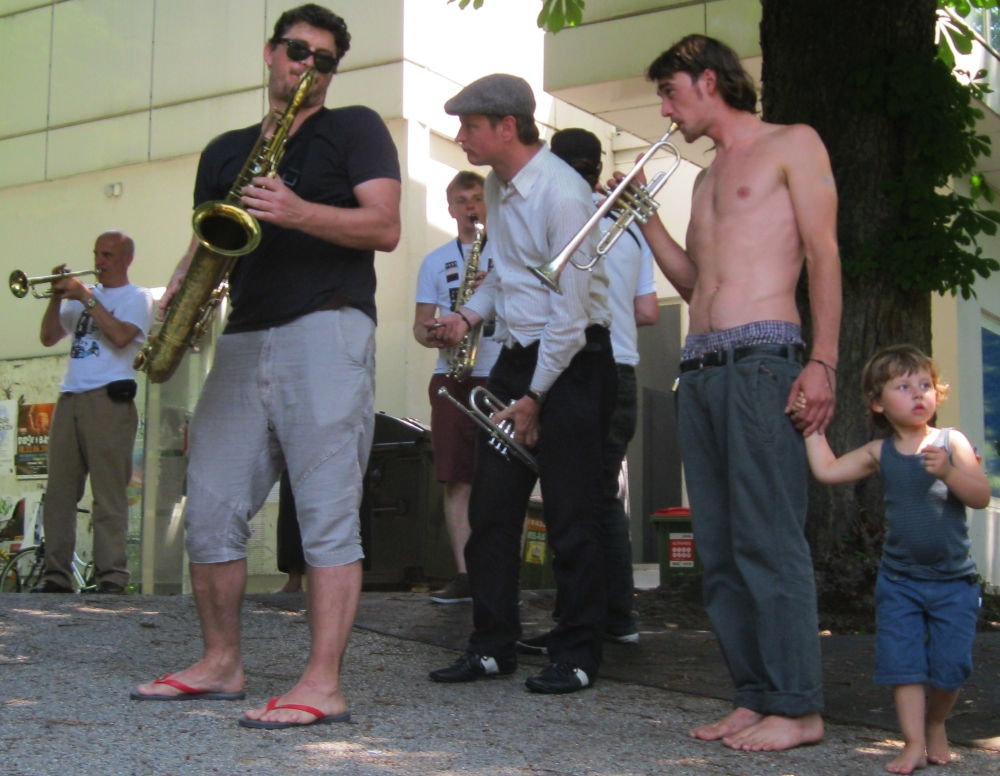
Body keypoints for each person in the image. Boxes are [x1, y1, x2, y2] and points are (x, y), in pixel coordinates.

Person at [131, 4, 401, 731]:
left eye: (323, 58)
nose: (308, 65)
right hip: (244, 333)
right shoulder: (225, 150)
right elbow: (210, 238)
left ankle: (324, 684)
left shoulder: (356, 128)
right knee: (210, 507)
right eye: (297, 50)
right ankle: (220, 663)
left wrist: (297, 210)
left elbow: (385, 225)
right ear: (271, 52)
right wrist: (181, 289)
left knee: (326, 513)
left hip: (329, 324)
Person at [631, 34, 841, 750]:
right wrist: (647, 220)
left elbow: (825, 254)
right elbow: (697, 283)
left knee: (768, 540)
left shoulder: (793, 142)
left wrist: (823, 361)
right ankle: (754, 696)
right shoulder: (702, 178)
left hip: (763, 361)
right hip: (701, 367)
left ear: (708, 80)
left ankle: (799, 708)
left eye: (670, 92)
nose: (666, 110)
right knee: (717, 549)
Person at [425, 74, 616, 694]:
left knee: (571, 515)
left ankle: (578, 654)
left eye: (471, 127)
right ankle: (491, 645)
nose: (461, 137)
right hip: (518, 355)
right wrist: (465, 317)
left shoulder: (563, 195)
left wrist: (535, 396)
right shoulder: (497, 187)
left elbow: (571, 314)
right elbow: (506, 278)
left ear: (508, 127)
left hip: (573, 363)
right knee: (491, 509)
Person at [801, 345, 989, 775]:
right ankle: (913, 743)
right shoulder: (879, 451)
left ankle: (936, 723)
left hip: (954, 584)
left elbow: (980, 496)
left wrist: (949, 472)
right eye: (903, 387)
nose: (918, 393)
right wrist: (811, 428)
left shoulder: (951, 442)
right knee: (903, 665)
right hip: (900, 581)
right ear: (877, 403)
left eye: (925, 385)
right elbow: (828, 471)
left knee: (950, 669)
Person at [517, 127, 658, 652]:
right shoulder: (630, 227)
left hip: (579, 366)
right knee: (601, 497)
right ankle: (612, 615)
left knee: (574, 499)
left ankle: (593, 619)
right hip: (624, 368)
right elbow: (647, 311)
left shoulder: (555, 214)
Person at [32, 230, 154, 595]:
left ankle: (111, 577)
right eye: (97, 253)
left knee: (108, 494)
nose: (99, 261)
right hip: (70, 397)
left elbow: (121, 337)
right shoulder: (82, 297)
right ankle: (56, 577)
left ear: (126, 259)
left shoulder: (137, 297)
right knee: (59, 494)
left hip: (109, 400)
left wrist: (86, 297)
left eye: (107, 255)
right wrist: (56, 297)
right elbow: (48, 337)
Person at [412, 170, 502, 604]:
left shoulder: (508, 251)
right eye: (462, 200)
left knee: (502, 480)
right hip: (452, 375)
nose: (471, 207)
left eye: (477, 198)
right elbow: (419, 325)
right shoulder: (434, 261)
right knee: (456, 479)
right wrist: (432, 334)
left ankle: (501, 571)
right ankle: (467, 575)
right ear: (450, 209)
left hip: (500, 371)